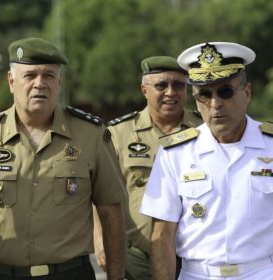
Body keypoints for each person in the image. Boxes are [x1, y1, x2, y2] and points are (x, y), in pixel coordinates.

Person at [0, 37, 127, 280]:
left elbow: (111, 212)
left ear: (60, 82)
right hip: (3, 274)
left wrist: (116, 276)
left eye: (49, 75)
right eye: (30, 76)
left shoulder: (91, 136)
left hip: (71, 274)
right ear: (11, 81)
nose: (40, 84)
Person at [140, 42, 273, 280]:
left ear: (246, 93)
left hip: (262, 273)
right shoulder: (176, 152)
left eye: (225, 91)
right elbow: (162, 234)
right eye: (205, 94)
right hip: (197, 274)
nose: (215, 104)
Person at [94, 56, 203, 279]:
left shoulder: (204, 130)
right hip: (137, 256)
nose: (171, 92)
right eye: (162, 85)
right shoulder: (118, 133)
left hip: (196, 256)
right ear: (145, 90)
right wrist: (99, 238)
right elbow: (101, 192)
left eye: (178, 85)